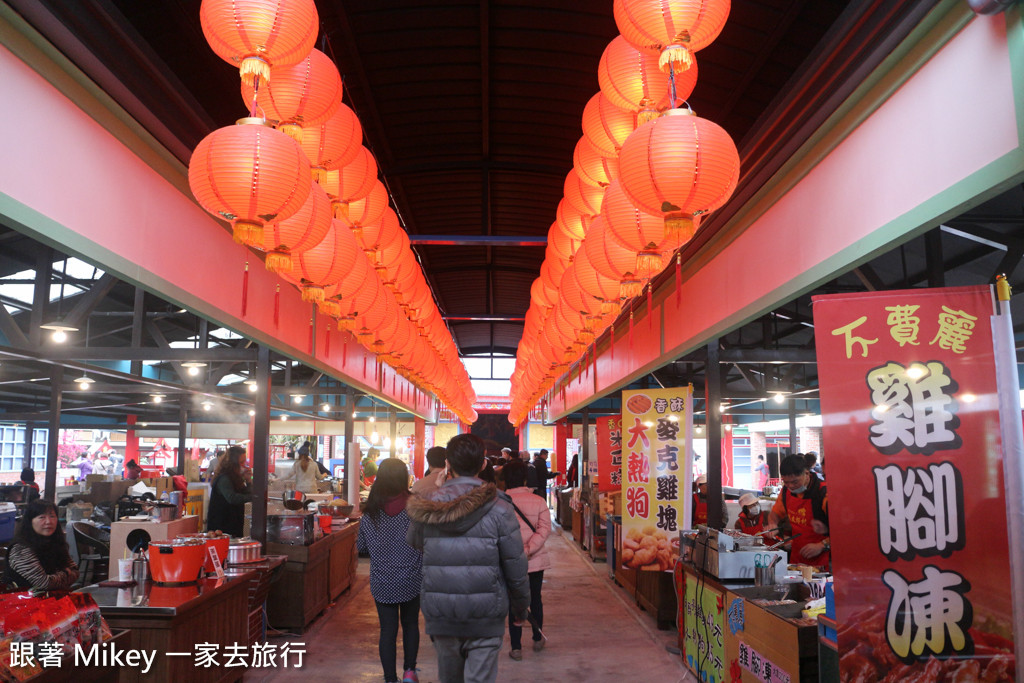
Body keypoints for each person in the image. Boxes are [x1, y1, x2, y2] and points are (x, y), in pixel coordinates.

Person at [406, 434, 530, 683]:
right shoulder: (500, 507)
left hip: (442, 611)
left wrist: (438, 492)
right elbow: (515, 564)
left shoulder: (428, 504)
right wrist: (520, 606)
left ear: (448, 463)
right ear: (483, 465)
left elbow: (415, 541)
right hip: (486, 612)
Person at [358, 459, 424, 683]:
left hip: (382, 580)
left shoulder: (370, 511)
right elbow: (426, 541)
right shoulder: (416, 507)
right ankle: (409, 672)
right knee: (411, 624)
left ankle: (389, 678)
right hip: (412, 578)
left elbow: (362, 547)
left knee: (387, 630)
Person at [501, 459, 551, 661]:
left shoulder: (499, 502)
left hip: (510, 561)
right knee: (535, 599)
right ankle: (537, 638)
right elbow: (545, 529)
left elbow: (497, 533)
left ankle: (516, 647)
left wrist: (514, 551)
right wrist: (529, 548)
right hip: (535, 559)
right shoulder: (538, 501)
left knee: (515, 602)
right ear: (524, 478)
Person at [768, 453, 830, 568]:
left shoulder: (823, 493)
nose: (791, 486)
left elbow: (843, 532)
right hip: (797, 559)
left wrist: (822, 545)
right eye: (786, 482)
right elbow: (775, 513)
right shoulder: (786, 492)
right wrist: (772, 524)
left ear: (806, 474)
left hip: (822, 561)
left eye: (795, 482)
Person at [2, 499, 78, 591]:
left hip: (54, 600)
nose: (48, 521)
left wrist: (59, 576)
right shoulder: (21, 549)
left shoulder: (55, 542)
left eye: (52, 516)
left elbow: (75, 572)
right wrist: (66, 573)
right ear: (30, 521)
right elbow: (44, 584)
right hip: (25, 602)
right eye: (42, 517)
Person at [207, 445, 254, 537]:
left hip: (233, 524)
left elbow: (246, 493)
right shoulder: (224, 478)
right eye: (241, 462)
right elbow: (232, 498)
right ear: (233, 463)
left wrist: (248, 481)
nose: (244, 466)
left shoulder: (235, 478)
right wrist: (254, 497)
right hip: (222, 526)